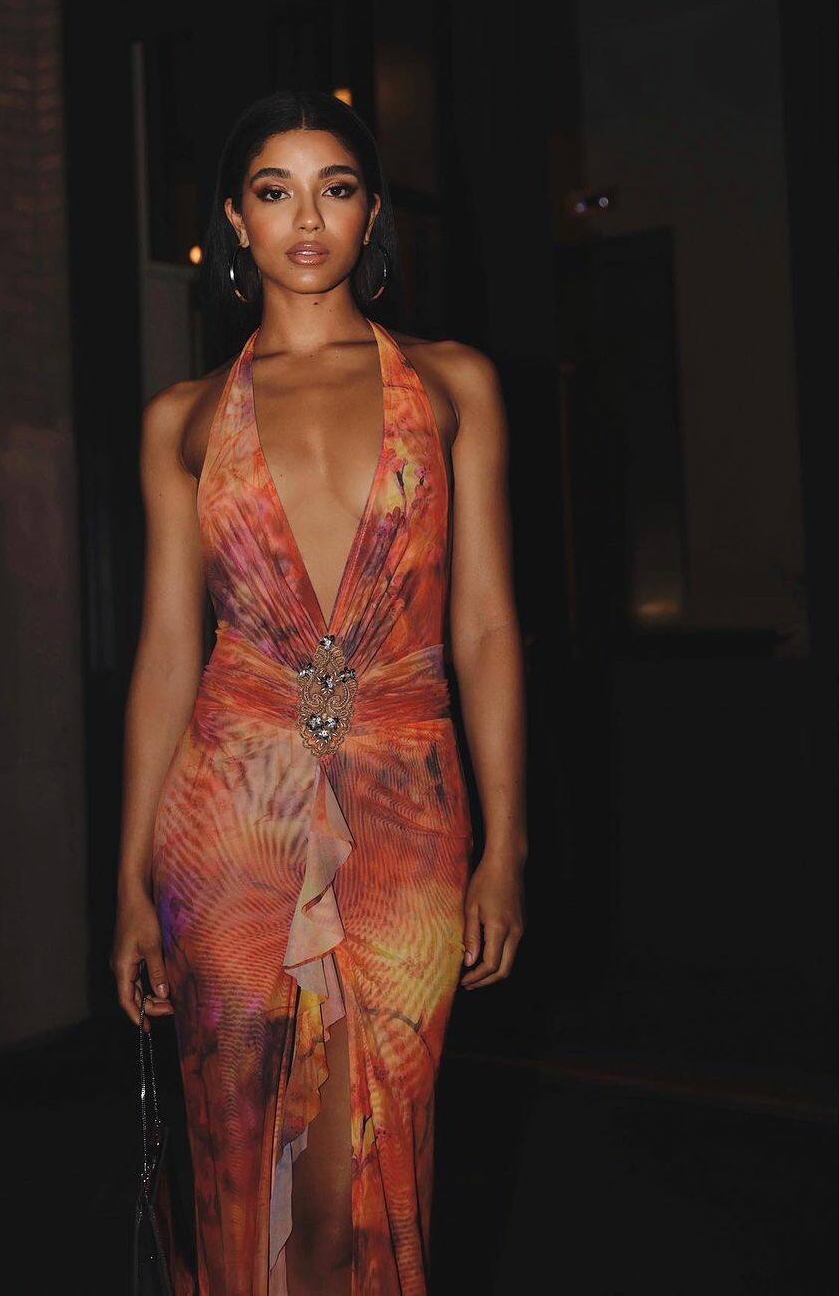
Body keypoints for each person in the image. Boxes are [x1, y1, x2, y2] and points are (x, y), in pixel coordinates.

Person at [112, 90, 527, 1296]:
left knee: (358, 1186)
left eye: (335, 188)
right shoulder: (184, 418)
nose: (307, 218)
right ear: (235, 220)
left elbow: (487, 626)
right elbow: (166, 651)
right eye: (275, 191)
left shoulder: (452, 384)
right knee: (238, 1168)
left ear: (372, 212)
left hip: (407, 812)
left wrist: (507, 843)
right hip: (228, 817)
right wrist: (128, 878)